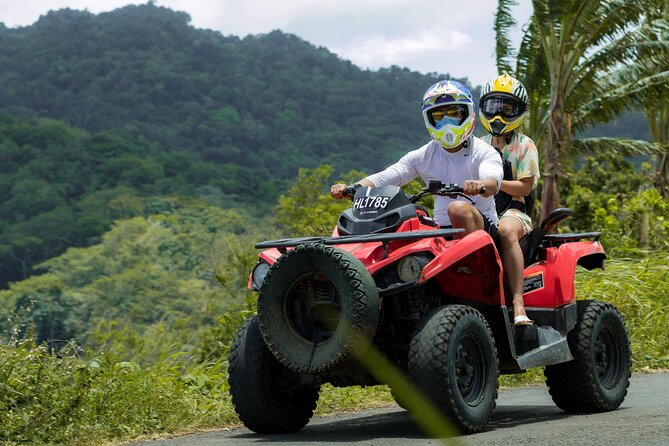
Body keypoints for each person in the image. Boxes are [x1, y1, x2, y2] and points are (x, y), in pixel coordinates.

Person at [331, 79, 503, 241]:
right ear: (429, 120)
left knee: (458, 209)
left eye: (453, 113)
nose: (446, 122)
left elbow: (492, 180)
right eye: (438, 116)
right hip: (441, 231)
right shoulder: (424, 155)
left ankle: (468, 269)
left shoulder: (484, 151)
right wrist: (352, 188)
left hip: (483, 232)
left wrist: (481, 185)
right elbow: (389, 175)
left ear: (467, 114)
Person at [479, 73, 541, 326]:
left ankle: (518, 302)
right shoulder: (477, 144)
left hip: (513, 212)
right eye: (494, 107)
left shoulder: (525, 145)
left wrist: (492, 183)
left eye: (507, 109)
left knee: (505, 231)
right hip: (482, 209)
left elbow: (525, 188)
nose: (498, 116)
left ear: (519, 111)